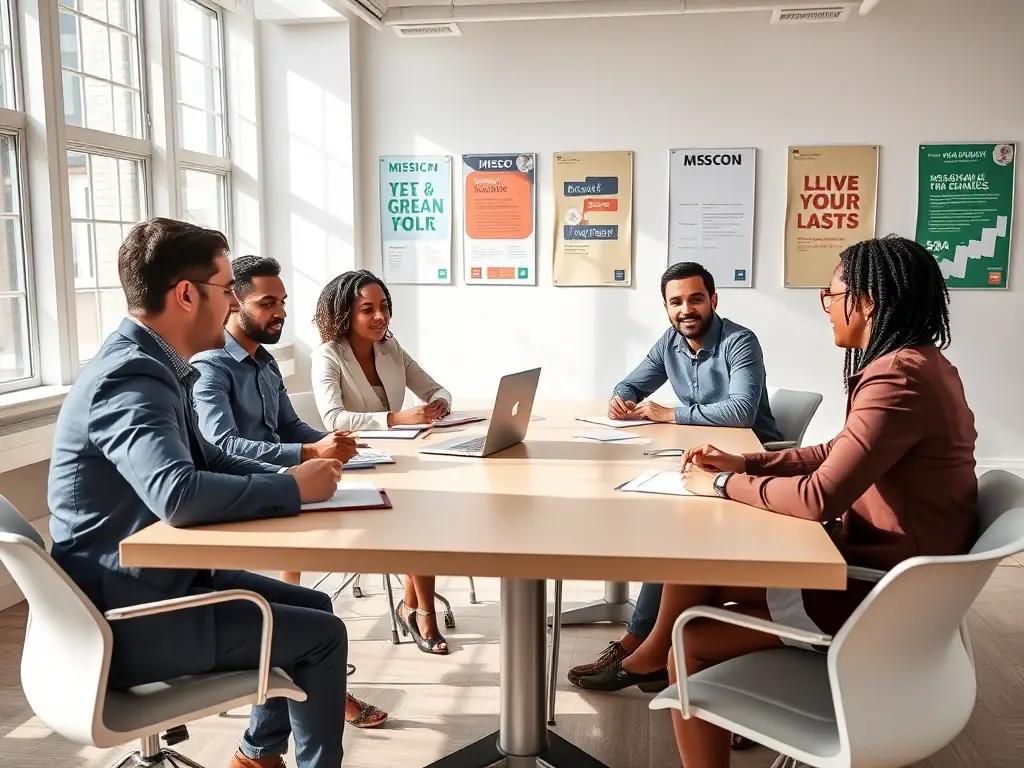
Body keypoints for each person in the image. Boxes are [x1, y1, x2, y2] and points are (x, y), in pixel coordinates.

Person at [628, 236, 976, 768]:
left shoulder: (897, 378)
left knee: (689, 638)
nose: (826, 306)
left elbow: (818, 497)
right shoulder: (921, 364)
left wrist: (720, 485)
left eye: (830, 295)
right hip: (875, 569)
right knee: (698, 566)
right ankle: (651, 650)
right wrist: (746, 463)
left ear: (866, 302)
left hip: (873, 592)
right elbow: (835, 450)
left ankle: (664, 653)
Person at [48, 218, 351, 768]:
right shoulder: (131, 377)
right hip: (129, 619)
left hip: (155, 585)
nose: (233, 303)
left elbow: (209, 458)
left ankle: (259, 756)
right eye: (227, 289)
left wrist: (299, 476)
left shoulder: (155, 362)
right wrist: (290, 487)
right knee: (323, 635)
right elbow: (179, 495)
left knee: (314, 604)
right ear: (187, 295)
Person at [191, 254, 388, 730]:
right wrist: (307, 453)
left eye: (282, 301)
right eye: (267, 303)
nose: (280, 312)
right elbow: (221, 445)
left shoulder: (264, 362)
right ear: (233, 303)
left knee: (376, 519)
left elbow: (290, 427)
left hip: (282, 486)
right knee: (308, 612)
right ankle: (318, 689)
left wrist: (334, 444)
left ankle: (271, 737)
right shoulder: (210, 367)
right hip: (246, 498)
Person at [570, 261, 783, 691]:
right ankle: (645, 643)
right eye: (676, 302)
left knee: (674, 531)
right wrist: (621, 399)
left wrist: (671, 413)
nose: (686, 309)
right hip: (698, 457)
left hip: (747, 462)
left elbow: (741, 411)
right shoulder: (670, 342)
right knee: (663, 519)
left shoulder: (740, 341)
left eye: (696, 299)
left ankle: (637, 642)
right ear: (666, 308)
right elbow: (630, 385)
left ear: (713, 300)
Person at [311, 269, 452, 655]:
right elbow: (333, 418)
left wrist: (439, 403)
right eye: (367, 309)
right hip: (354, 463)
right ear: (344, 313)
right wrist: (395, 418)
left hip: (399, 459)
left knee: (424, 510)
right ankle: (424, 615)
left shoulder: (391, 348)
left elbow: (435, 387)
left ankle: (410, 605)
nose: (380, 317)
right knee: (417, 516)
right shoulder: (327, 355)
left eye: (384, 307)